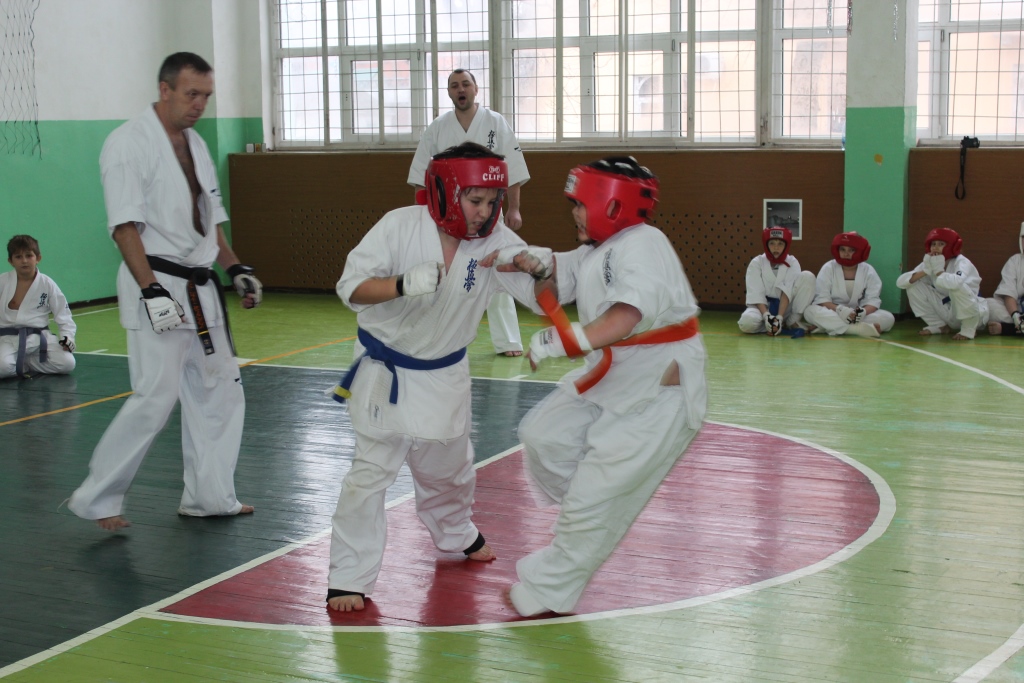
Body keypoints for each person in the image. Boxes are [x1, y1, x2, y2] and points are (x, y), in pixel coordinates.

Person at [327, 142, 553, 612]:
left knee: (448, 471)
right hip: (383, 371)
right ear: (445, 192)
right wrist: (401, 284)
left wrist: (535, 268)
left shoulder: (495, 241)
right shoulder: (399, 226)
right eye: (475, 200)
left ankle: (455, 532)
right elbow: (350, 288)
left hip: (444, 373)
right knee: (368, 476)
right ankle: (348, 575)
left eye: (492, 201)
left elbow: (541, 300)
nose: (484, 212)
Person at [504, 156, 707, 617]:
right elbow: (561, 278)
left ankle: (549, 589)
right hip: (613, 375)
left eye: (581, 204)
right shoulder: (598, 248)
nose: (575, 213)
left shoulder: (644, 244)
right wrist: (532, 263)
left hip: (657, 392)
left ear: (612, 204)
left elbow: (624, 317)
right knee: (543, 436)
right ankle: (595, 508)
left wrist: (560, 340)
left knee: (592, 499)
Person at [68, 52, 262, 531]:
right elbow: (124, 227)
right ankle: (97, 498)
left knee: (220, 390)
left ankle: (210, 496)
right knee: (156, 397)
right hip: (158, 283)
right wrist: (151, 290)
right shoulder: (128, 144)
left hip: (200, 285)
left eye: (206, 96)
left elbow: (210, 221)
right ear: (165, 89)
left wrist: (234, 267)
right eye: (191, 94)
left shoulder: (196, 144)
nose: (199, 104)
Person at [407, 68, 529, 357]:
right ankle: (436, 337)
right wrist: (423, 214)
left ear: (476, 89)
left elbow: (512, 169)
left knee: (497, 271)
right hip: (447, 215)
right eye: (454, 86)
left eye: (465, 84)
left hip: (488, 212)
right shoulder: (438, 127)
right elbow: (421, 175)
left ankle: (508, 341)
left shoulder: (495, 123)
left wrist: (514, 209)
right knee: (442, 274)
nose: (460, 89)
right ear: (449, 93)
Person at [1, 235, 77, 379]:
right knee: (2, 368)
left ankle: (22, 363)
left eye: (29, 255)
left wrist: (67, 338)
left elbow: (63, 314)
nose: (24, 261)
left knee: (67, 363)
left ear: (38, 258)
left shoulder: (47, 284)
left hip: (39, 338)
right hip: (8, 339)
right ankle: (21, 363)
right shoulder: (3, 282)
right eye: (18, 257)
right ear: (10, 261)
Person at [896, 227, 988, 340]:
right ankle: (938, 325)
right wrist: (926, 270)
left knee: (957, 286)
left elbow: (955, 283)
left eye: (941, 244)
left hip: (974, 314)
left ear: (952, 246)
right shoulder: (932, 262)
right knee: (913, 285)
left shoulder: (962, 262)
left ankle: (968, 329)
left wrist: (939, 271)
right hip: (947, 311)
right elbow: (901, 283)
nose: (936, 247)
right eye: (933, 244)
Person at [803, 231, 895, 338]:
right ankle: (857, 329)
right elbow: (822, 299)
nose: (846, 254)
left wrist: (862, 312)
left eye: (851, 250)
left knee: (888, 317)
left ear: (860, 251)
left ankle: (826, 327)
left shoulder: (868, 270)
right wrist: (840, 310)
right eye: (842, 249)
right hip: (833, 311)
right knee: (809, 312)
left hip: (857, 315)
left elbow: (873, 300)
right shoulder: (828, 268)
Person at [738, 226, 816, 336]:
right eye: (772, 243)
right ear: (766, 245)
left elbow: (787, 291)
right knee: (746, 323)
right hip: (762, 308)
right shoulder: (757, 262)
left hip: (785, 309)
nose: (776, 247)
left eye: (780, 244)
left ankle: (791, 322)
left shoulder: (792, 262)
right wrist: (767, 317)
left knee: (808, 276)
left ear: (786, 246)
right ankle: (770, 325)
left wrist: (779, 317)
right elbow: (756, 293)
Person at [986, 221, 1024, 336]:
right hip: (1016, 310)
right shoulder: (1014, 261)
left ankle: (1006, 329)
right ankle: (1019, 326)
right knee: (987, 305)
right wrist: (1015, 316)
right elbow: (1008, 293)